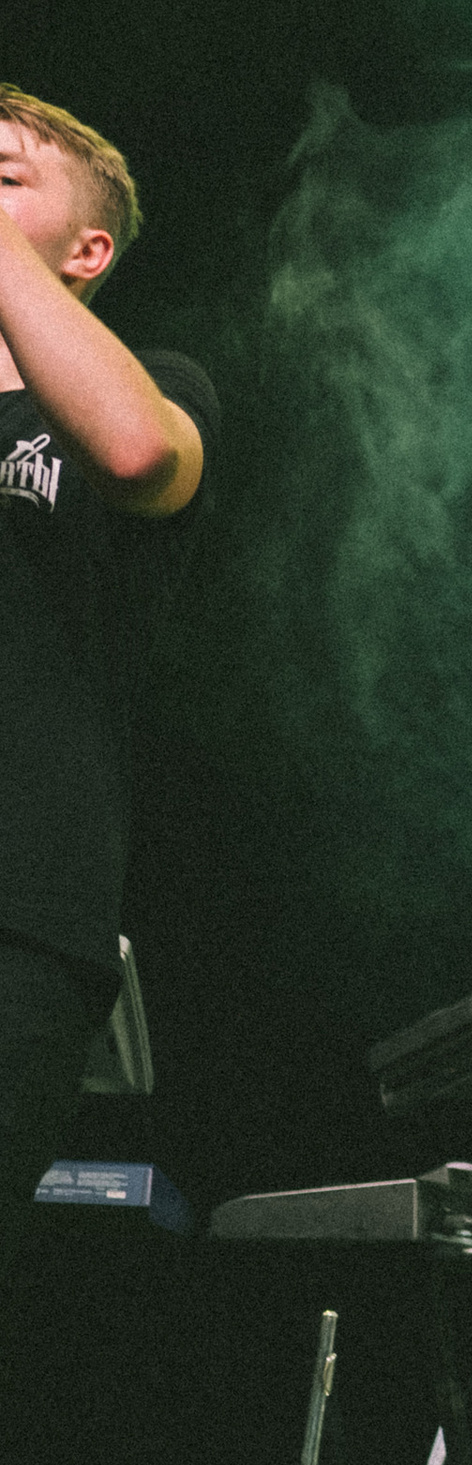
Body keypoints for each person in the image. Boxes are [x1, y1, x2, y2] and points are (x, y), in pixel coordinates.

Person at [0, 88, 213, 1275]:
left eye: (4, 177)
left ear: (88, 253)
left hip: (14, 915)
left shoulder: (159, 383)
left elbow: (138, 450)